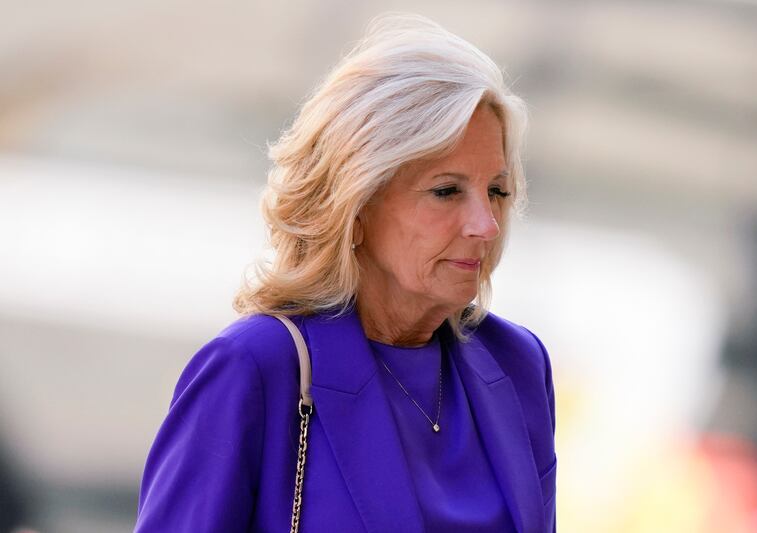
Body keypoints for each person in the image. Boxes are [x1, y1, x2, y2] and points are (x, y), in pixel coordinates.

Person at [134, 12, 556, 533]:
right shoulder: (253, 368)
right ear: (355, 208)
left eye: (496, 190)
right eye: (446, 191)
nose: (485, 225)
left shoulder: (518, 364)